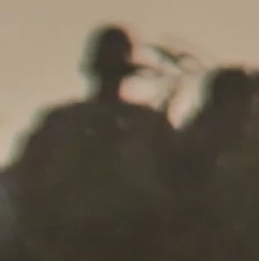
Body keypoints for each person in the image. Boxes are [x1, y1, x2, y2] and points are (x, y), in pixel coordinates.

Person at [11, 26, 172, 239]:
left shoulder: (147, 124)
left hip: (131, 233)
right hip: (69, 232)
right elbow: (26, 177)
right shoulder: (61, 121)